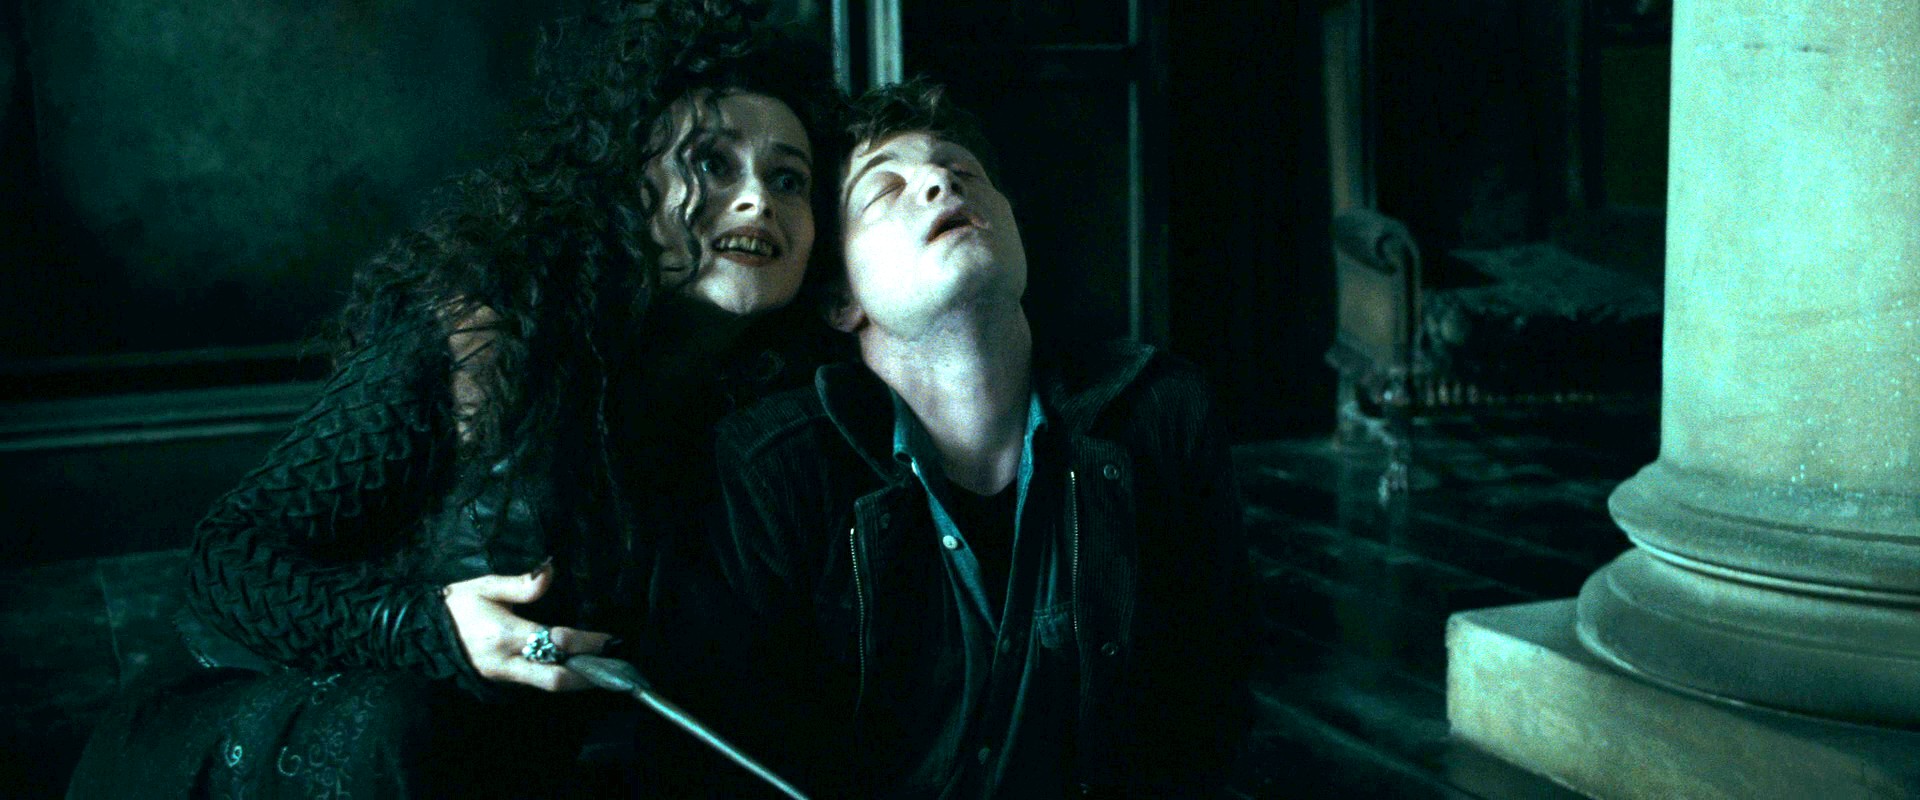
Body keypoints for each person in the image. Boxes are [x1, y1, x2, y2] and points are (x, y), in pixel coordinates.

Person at [66, 1, 843, 796]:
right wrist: (431, 627)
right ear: (625, 181)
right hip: (262, 740)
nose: (758, 199)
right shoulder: (481, 334)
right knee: (403, 722)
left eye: (789, 179)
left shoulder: (775, 425)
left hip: (490, 768)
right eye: (712, 164)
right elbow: (225, 562)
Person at [691, 80, 1254, 798]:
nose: (939, 181)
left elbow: (1209, 712)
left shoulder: (1163, 414)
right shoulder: (772, 469)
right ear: (840, 299)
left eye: (963, 170)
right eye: (884, 190)